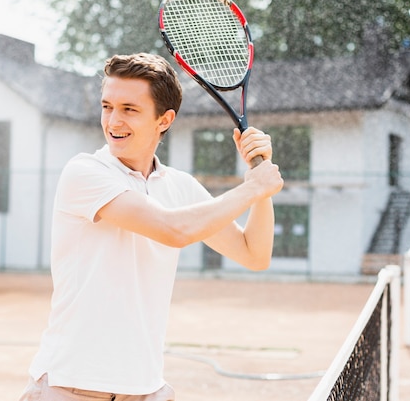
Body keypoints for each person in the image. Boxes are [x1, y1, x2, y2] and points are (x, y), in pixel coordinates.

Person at [19, 53, 283, 401]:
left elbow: (254, 254)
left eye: (129, 109)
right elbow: (172, 230)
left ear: (164, 119)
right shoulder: (84, 173)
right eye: (107, 106)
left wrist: (259, 187)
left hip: (145, 389)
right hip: (70, 386)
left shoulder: (179, 186)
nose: (114, 120)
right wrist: (252, 188)